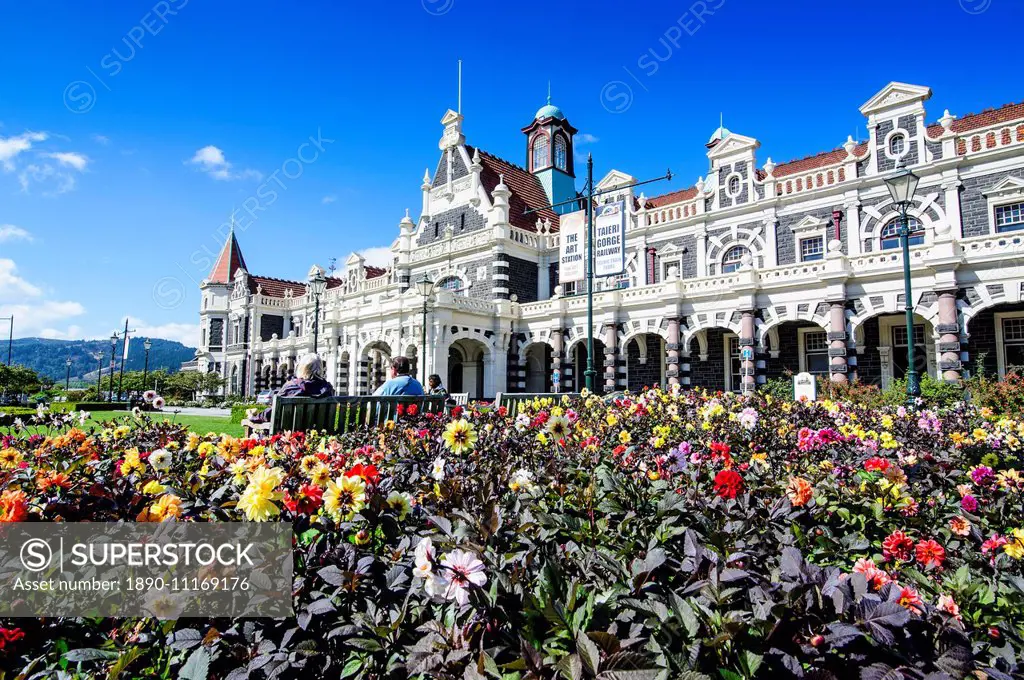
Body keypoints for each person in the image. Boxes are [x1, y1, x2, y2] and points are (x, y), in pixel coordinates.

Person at [252, 354, 333, 423]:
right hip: (318, 436)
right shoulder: (328, 389)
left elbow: (272, 413)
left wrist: (253, 417)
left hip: (289, 436)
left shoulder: (291, 387)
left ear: (302, 368)